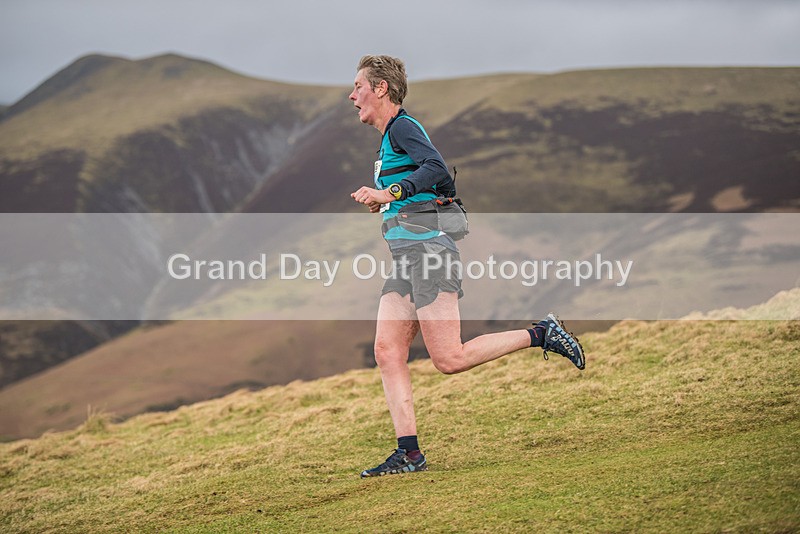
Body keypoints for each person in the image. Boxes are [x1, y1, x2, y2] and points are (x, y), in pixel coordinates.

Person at [349, 55, 585, 478]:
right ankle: (409, 454)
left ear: (380, 88)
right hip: (407, 258)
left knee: (450, 359)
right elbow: (433, 185)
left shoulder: (403, 126)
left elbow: (437, 168)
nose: (352, 97)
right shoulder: (387, 140)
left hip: (430, 254)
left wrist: (392, 193)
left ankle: (542, 334)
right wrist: (388, 201)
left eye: (358, 87)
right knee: (387, 351)